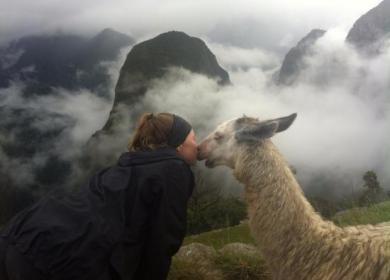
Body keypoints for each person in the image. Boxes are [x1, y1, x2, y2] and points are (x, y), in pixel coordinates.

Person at [0, 112, 197, 280]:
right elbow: (162, 242)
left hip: (24, 232)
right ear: (178, 146)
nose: (197, 146)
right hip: (57, 258)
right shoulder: (174, 170)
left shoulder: (126, 165)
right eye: (193, 139)